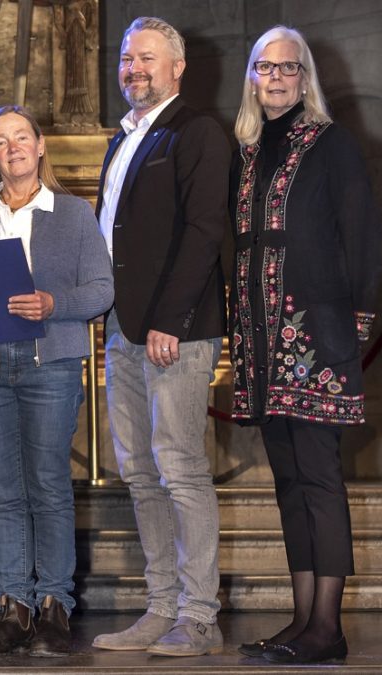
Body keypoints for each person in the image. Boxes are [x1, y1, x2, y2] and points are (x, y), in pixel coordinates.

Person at [0, 105, 113, 658]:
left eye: (22, 138)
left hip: (49, 363)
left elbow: (102, 291)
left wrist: (54, 303)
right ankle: (15, 609)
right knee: (6, 493)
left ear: (39, 147)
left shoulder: (74, 214)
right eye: (1, 142)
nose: (13, 148)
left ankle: (54, 607)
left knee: (49, 486)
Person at [230, 26, 381, 665]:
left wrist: (358, 322)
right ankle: (301, 621)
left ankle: (329, 625)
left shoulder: (332, 144)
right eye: (266, 67)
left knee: (320, 480)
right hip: (260, 342)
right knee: (288, 482)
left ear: (305, 74)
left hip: (315, 333)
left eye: (288, 67)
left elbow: (365, 236)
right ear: (252, 76)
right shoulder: (245, 150)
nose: (277, 77)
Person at [90, 16, 229, 657]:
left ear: (177, 67)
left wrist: (169, 322)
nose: (133, 67)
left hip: (174, 330)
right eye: (126, 57)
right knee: (141, 474)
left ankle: (199, 616)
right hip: (124, 330)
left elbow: (205, 232)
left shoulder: (195, 131)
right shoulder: (124, 139)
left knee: (179, 470)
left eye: (147, 57)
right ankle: (161, 606)